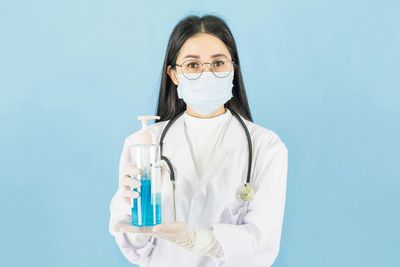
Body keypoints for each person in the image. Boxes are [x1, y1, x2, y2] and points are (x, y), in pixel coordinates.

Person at [109, 14, 288, 267]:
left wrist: (195, 239)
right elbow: (136, 248)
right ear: (173, 74)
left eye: (218, 63)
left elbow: (262, 245)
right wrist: (132, 212)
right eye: (192, 65)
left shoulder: (266, 147)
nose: (206, 74)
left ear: (233, 69)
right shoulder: (144, 144)